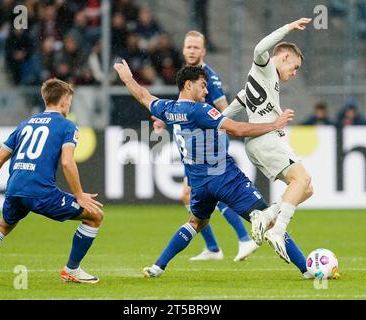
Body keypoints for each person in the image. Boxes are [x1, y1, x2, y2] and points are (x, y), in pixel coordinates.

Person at [113, 60, 302, 278]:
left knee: (196, 222)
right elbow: (237, 129)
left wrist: (127, 78)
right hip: (224, 177)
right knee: (269, 221)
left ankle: (157, 267)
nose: (206, 90)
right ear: (187, 85)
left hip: (199, 183)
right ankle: (308, 269)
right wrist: (274, 125)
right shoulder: (201, 110)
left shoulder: (168, 109)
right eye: (202, 85)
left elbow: (144, 96)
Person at [0, 78, 104, 285]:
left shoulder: (25, 124)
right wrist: (79, 195)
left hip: (15, 188)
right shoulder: (68, 126)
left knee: (3, 226)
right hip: (40, 192)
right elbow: (68, 162)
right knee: (95, 216)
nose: (69, 105)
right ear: (63, 102)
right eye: (69, 101)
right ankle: (71, 270)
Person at [155, 30, 258, 262]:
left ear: (203, 51)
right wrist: (166, 119)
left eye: (195, 47)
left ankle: (243, 239)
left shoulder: (208, 76)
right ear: (183, 49)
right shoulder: (190, 76)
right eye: (188, 46)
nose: (191, 50)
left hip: (208, 145)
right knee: (189, 195)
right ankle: (213, 247)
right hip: (196, 146)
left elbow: (223, 106)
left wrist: (220, 127)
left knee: (209, 191)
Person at [223, 18, 316, 264]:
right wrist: (288, 27)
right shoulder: (264, 67)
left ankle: (267, 216)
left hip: (259, 142)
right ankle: (277, 229)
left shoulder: (263, 80)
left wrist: (217, 121)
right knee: (303, 179)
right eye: (294, 67)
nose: (294, 74)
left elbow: (241, 100)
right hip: (265, 138)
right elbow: (258, 50)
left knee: (306, 189)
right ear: (283, 57)